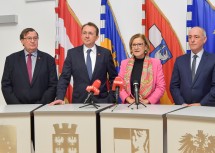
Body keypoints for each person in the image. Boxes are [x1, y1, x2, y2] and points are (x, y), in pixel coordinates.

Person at [50, 22, 117, 105]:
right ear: (81, 35)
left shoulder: (105, 53)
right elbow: (64, 78)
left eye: (90, 33)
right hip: (79, 102)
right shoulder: (72, 54)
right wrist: (60, 97)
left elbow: (113, 78)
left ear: (96, 37)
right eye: (84, 33)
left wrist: (112, 98)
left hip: (102, 101)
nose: (87, 36)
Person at [1, 28, 58, 105]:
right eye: (29, 38)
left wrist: (40, 105)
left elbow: (53, 85)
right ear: (22, 41)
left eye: (35, 38)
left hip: (42, 109)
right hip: (17, 109)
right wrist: (16, 106)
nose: (32, 41)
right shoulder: (11, 60)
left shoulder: (48, 59)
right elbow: (6, 85)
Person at [170, 26, 215, 106]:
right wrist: (182, 103)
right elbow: (174, 86)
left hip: (206, 109)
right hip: (183, 108)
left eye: (196, 37)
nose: (192, 40)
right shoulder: (180, 60)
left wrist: (201, 104)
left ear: (204, 39)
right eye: (190, 37)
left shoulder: (213, 60)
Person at [118, 33, 165, 104]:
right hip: (129, 106)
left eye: (139, 44)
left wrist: (147, 101)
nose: (136, 47)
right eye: (134, 45)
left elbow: (161, 87)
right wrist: (129, 100)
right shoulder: (124, 63)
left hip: (150, 107)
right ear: (131, 48)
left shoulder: (156, 63)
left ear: (146, 47)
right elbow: (119, 85)